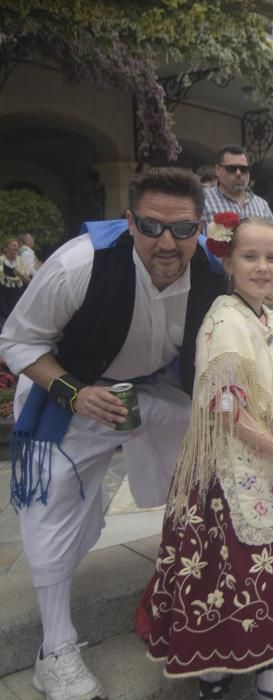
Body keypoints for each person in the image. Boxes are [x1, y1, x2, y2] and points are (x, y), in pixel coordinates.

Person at [0, 168, 227, 700]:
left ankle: (195, 610)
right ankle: (54, 650)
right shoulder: (80, 264)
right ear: (130, 223)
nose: (167, 242)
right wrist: (76, 394)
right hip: (72, 393)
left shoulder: (211, 275)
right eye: (152, 226)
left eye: (183, 229)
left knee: (210, 465)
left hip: (147, 391)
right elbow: (18, 342)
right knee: (53, 501)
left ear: (200, 228)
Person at [145, 215, 273, 700]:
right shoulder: (223, 320)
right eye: (250, 257)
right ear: (228, 262)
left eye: (272, 257)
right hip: (227, 476)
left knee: (269, 576)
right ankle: (213, 677)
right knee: (226, 577)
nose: (263, 267)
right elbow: (225, 407)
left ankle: (267, 672)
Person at [204, 144, 273, 314]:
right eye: (232, 169)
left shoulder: (260, 204)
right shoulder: (203, 200)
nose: (238, 173)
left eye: (243, 169)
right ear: (218, 170)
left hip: (261, 289)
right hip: (219, 288)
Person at [0, 238, 30, 324]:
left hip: (17, 298)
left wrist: (20, 275)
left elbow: (29, 282)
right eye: (13, 245)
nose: (16, 247)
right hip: (3, 299)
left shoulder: (22, 263)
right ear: (6, 249)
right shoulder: (1, 261)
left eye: (17, 246)